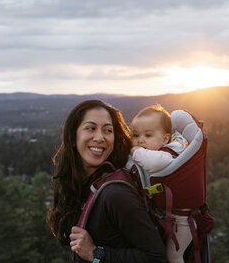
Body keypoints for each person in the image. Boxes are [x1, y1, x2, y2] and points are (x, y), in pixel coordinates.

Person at [48, 100, 167, 263]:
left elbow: (157, 258)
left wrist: (96, 254)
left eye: (107, 130)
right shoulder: (85, 185)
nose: (99, 137)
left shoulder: (116, 194)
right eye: (90, 128)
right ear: (73, 137)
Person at [130, 104, 191, 263]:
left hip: (184, 221)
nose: (140, 140)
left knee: (173, 256)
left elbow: (154, 163)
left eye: (148, 135)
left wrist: (135, 151)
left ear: (165, 139)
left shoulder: (167, 154)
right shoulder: (156, 150)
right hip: (170, 216)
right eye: (136, 135)